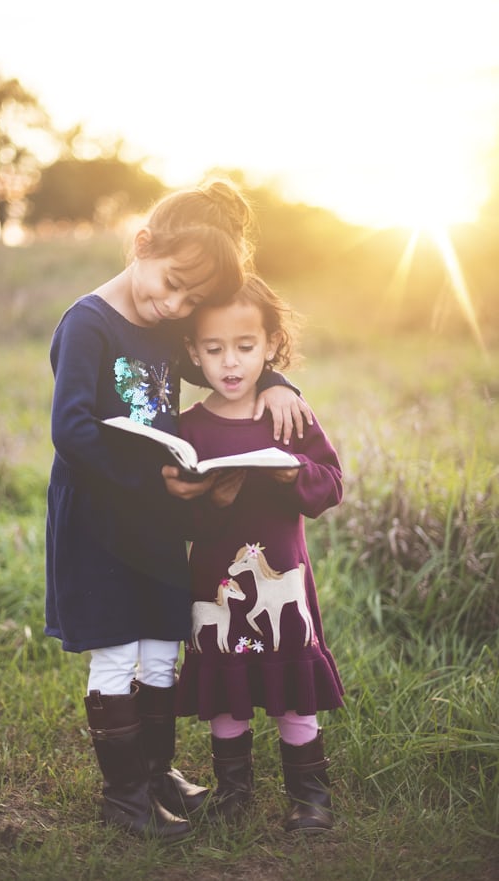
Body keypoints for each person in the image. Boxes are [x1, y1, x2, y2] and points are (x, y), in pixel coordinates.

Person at [44, 180, 312, 841]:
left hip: (158, 519)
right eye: (171, 285)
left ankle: (158, 772)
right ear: (142, 245)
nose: (175, 305)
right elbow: (72, 428)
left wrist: (275, 379)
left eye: (191, 300)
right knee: (116, 652)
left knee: (163, 647)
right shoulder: (88, 322)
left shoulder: (166, 326)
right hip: (100, 518)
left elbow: (222, 364)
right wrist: (148, 477)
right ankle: (125, 796)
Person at [172, 274, 344, 833]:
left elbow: (331, 485)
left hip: (282, 577)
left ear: (270, 346)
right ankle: (233, 792)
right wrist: (210, 500)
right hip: (216, 582)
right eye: (214, 349)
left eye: (245, 347)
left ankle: (309, 796)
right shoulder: (188, 430)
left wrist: (294, 471)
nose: (230, 362)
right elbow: (177, 518)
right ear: (193, 352)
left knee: (293, 688)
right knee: (226, 687)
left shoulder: (288, 414)